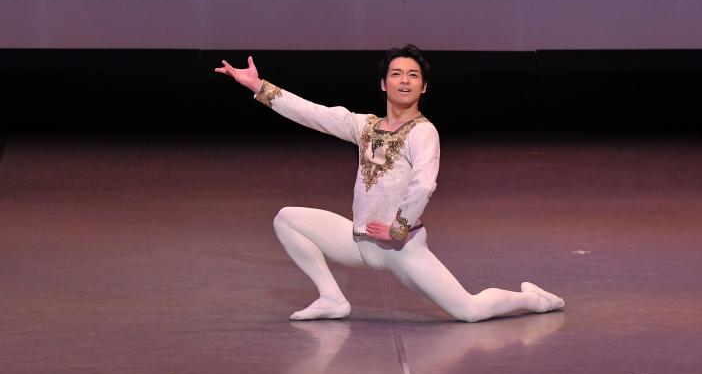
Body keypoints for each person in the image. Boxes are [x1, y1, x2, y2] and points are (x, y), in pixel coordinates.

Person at [214, 44, 564, 322]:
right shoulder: (364, 126)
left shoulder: (423, 132)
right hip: (360, 241)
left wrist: (397, 230)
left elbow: (424, 185)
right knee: (287, 219)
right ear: (384, 83)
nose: (404, 80)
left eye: (413, 75)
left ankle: (534, 300)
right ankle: (332, 298)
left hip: (401, 249)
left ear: (424, 86)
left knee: (469, 311)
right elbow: (313, 113)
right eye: (396, 74)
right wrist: (258, 86)